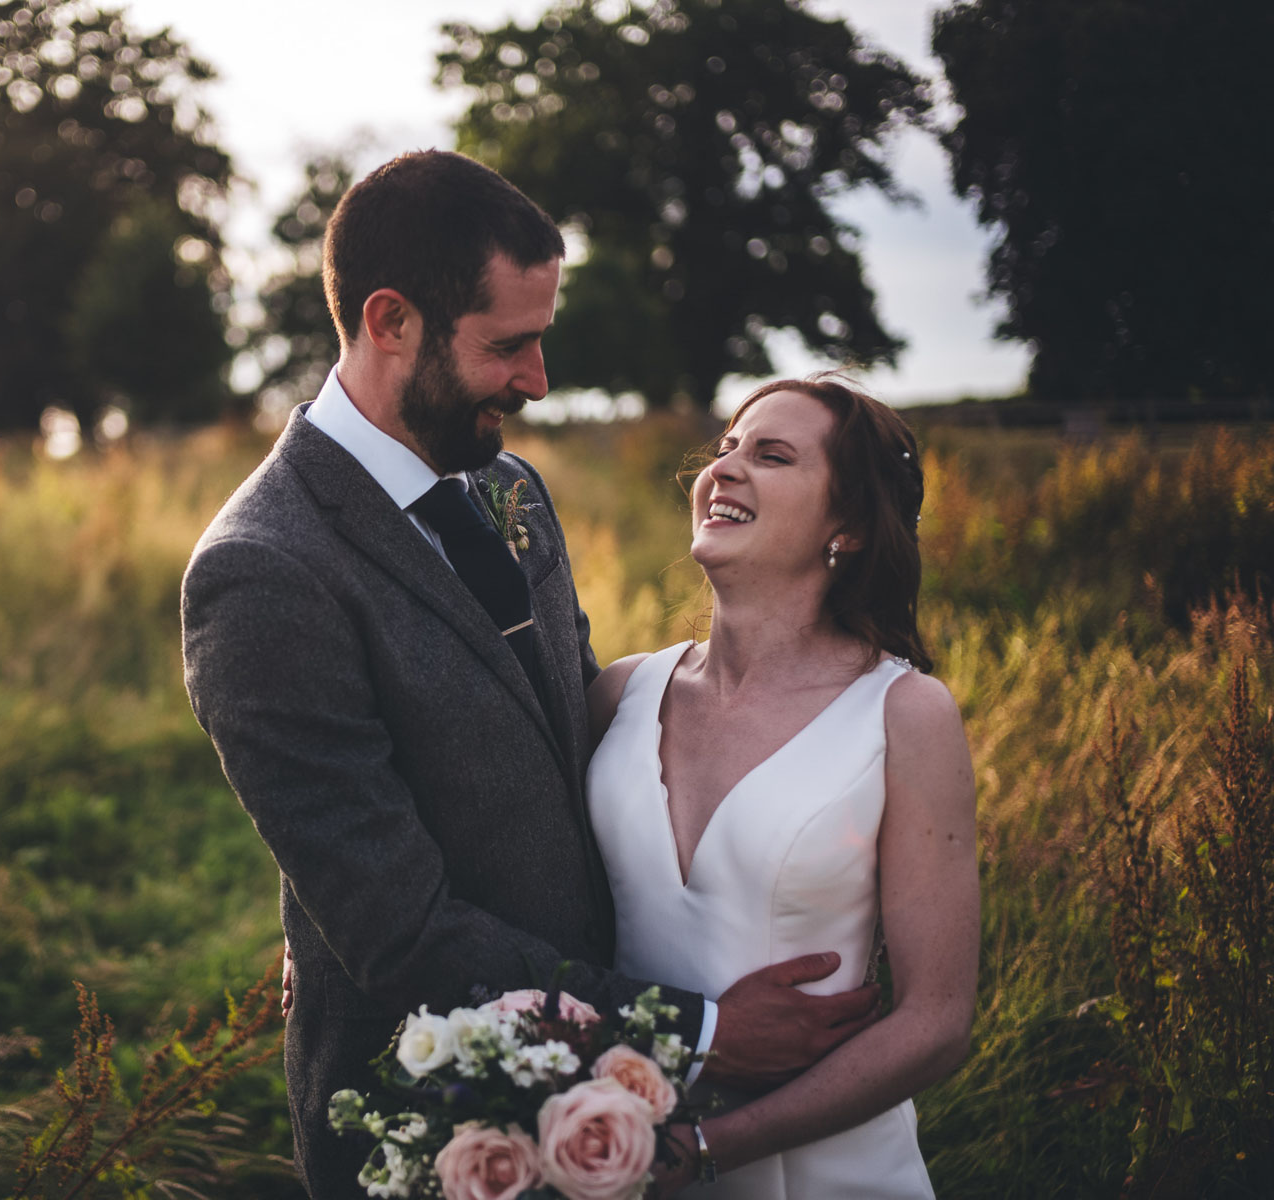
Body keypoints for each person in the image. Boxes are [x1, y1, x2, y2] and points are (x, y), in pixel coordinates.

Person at [181, 151, 877, 1198]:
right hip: (437, 1116)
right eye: (510, 344)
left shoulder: (508, 487)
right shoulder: (263, 573)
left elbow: (570, 734)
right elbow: (399, 930)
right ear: (390, 322)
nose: (539, 380)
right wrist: (704, 1030)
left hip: (609, 1091)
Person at [586, 376, 979, 1196]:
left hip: (822, 1172)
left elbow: (936, 1022)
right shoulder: (621, 694)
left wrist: (708, 1145)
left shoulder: (904, 715)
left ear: (850, 527)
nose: (725, 470)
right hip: (617, 1155)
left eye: (771, 456)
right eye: (726, 449)